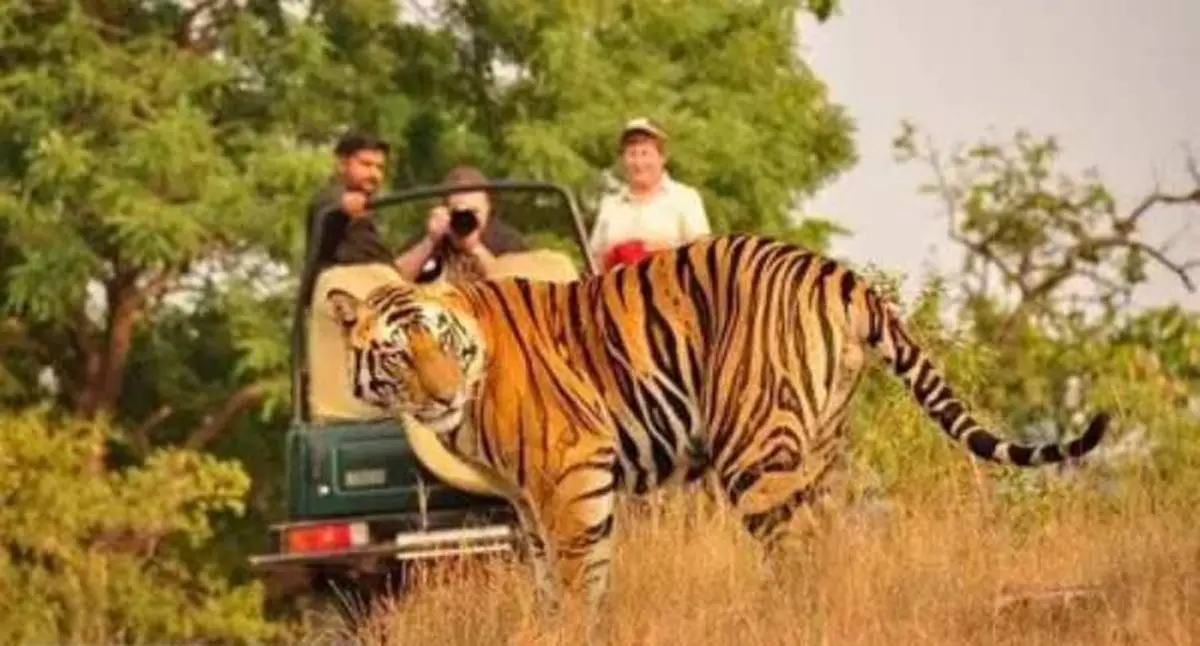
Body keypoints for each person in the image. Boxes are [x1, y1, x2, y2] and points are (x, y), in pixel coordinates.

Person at [588, 117, 711, 271]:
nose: (638, 163)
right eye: (632, 154)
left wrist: (669, 251)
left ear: (662, 158)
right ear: (623, 160)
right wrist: (610, 257)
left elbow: (704, 259)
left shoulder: (685, 199)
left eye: (645, 153)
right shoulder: (610, 205)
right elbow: (593, 264)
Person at [394, 166, 531, 282]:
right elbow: (393, 280)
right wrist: (429, 242)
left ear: (488, 208)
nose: (467, 218)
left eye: (474, 211)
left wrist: (475, 248)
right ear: (445, 210)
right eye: (459, 212)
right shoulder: (433, 236)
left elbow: (518, 287)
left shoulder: (506, 240)